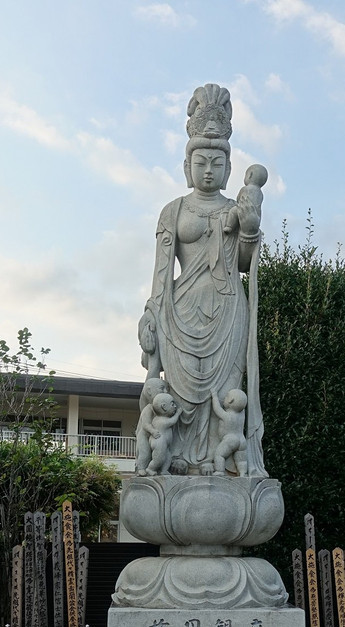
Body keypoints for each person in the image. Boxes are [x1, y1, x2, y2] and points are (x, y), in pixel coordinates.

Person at [138, 83, 267, 477]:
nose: (208, 169)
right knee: (179, 395)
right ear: (186, 166)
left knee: (225, 395)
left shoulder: (236, 206)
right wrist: (150, 315)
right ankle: (176, 461)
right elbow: (161, 275)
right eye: (201, 162)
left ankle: (222, 462)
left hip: (227, 310)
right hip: (181, 312)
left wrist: (248, 227)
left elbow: (243, 263)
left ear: (228, 169)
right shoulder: (173, 211)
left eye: (216, 162)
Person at [211, 388, 248, 476]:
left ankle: (220, 471)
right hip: (241, 440)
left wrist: (214, 396)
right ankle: (243, 473)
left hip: (230, 439)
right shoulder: (242, 415)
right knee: (241, 459)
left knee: (219, 455)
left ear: (230, 401)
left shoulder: (226, 416)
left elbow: (217, 409)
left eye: (226, 397)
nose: (224, 398)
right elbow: (241, 408)